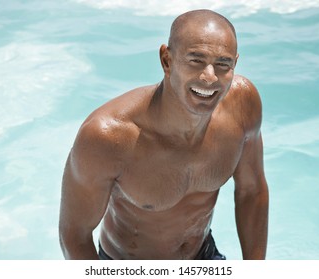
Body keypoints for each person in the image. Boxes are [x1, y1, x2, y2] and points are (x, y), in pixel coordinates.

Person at [59, 9, 269, 260]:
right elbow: (74, 235)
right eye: (196, 60)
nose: (209, 77)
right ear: (167, 60)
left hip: (203, 255)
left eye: (223, 64)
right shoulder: (108, 136)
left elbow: (251, 190)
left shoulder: (242, 105)